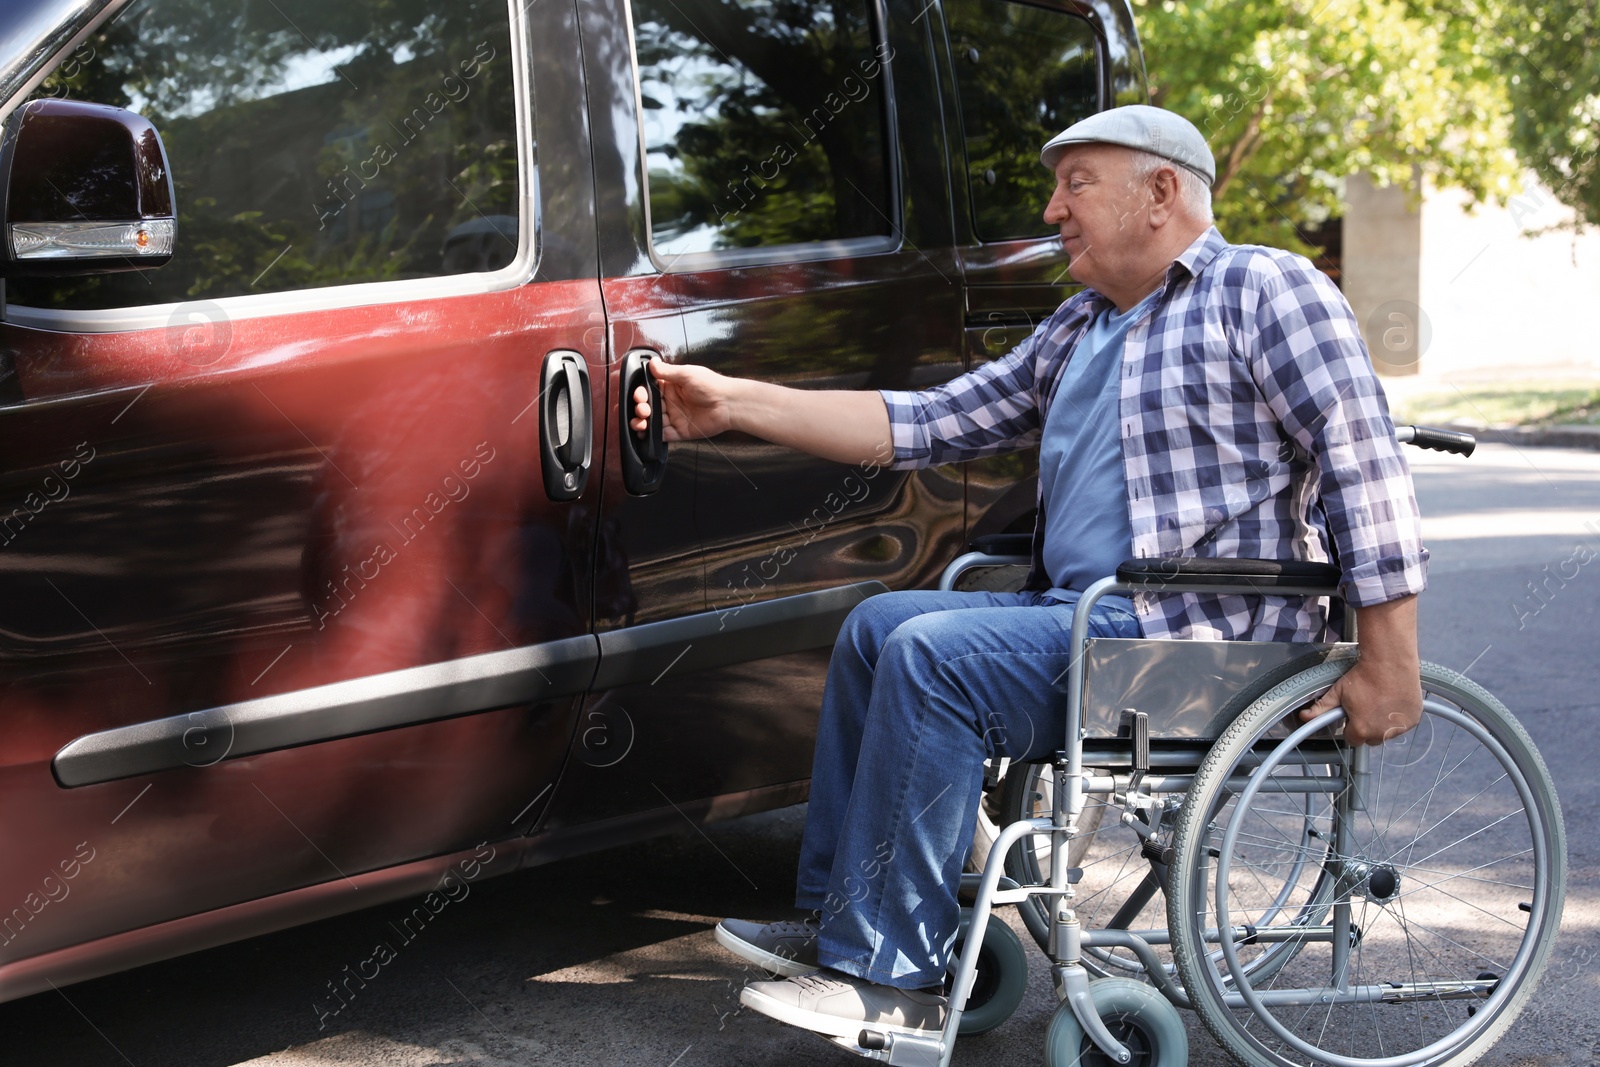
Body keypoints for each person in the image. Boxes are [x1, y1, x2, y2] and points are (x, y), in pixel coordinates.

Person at [629, 104, 1428, 1040]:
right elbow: (920, 424)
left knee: (936, 657)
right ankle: (841, 922)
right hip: (1096, 624)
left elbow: (1362, 460)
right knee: (877, 626)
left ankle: (892, 978)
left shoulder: (1264, 290)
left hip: (1201, 641)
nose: (1052, 210)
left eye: (1075, 183)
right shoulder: (1081, 326)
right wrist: (728, 403)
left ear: (1161, 190)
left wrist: (1389, 658)